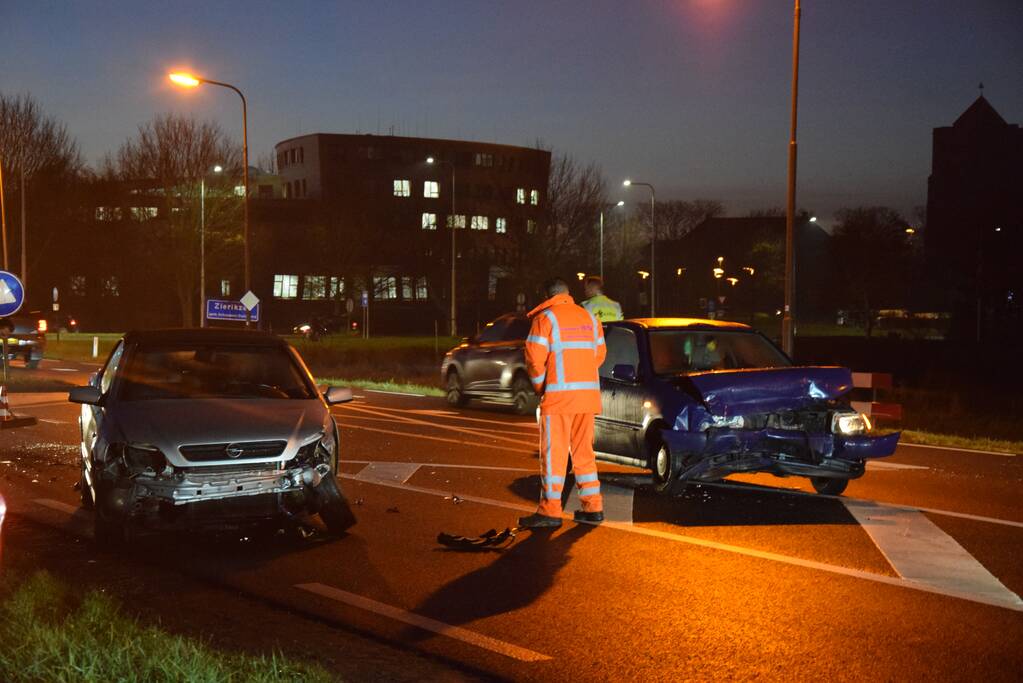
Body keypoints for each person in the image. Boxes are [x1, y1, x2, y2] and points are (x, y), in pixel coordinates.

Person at [520, 277, 607, 529]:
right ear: (568, 294)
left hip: (558, 399)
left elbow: (534, 361)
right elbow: (599, 354)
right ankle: (593, 507)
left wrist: (541, 386)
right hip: (587, 397)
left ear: (547, 296)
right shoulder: (589, 319)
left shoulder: (545, 319)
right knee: (584, 454)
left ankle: (550, 510)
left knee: (554, 455)